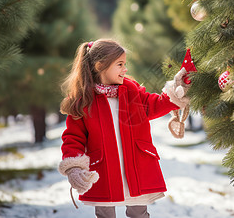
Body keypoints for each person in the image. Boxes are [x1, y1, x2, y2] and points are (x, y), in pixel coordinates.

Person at [58, 39, 190, 218]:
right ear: (100, 66)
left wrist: (177, 89)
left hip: (135, 167)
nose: (125, 69)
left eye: (125, 64)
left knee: (139, 211)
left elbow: (155, 105)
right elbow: (73, 138)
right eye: (120, 64)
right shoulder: (83, 101)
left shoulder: (131, 91)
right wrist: (74, 167)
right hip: (103, 170)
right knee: (105, 212)